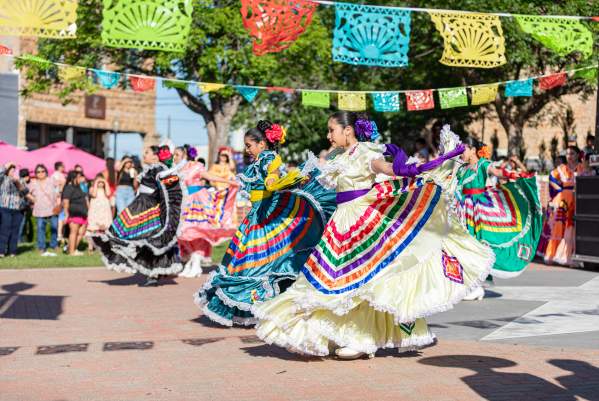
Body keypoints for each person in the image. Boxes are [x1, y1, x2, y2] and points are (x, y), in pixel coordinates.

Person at [252, 112, 493, 360]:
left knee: (362, 281)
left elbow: (387, 168)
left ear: (348, 131)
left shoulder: (366, 152)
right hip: (340, 223)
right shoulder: (336, 156)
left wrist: (414, 168)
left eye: (331, 130)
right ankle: (335, 333)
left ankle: (360, 338)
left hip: (362, 221)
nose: (328, 135)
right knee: (335, 280)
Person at [195, 120, 336, 327]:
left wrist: (283, 180)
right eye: (246, 145)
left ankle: (262, 304)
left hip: (267, 212)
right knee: (252, 258)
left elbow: (272, 180)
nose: (247, 149)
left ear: (262, 144)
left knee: (260, 259)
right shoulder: (260, 160)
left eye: (249, 145)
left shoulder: (270, 159)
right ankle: (255, 304)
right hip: (257, 212)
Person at [455, 138, 543, 301]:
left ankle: (476, 285)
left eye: (463, 149)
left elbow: (497, 172)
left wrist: (511, 173)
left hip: (478, 210)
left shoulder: (482, 164)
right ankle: (468, 284)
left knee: (476, 244)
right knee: (462, 245)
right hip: (463, 208)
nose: (461, 152)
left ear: (473, 150)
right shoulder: (461, 169)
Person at [91, 144, 185, 286]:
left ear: (155, 156)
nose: (144, 155)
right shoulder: (148, 170)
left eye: (146, 152)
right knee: (124, 234)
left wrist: (164, 213)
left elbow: (170, 194)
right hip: (138, 207)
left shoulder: (160, 170)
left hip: (149, 210)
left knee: (149, 241)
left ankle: (153, 274)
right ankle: (150, 272)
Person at [174, 145, 239, 276]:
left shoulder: (196, 166)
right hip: (185, 201)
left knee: (197, 230)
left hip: (198, 200)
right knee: (184, 233)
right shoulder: (179, 169)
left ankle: (196, 263)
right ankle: (192, 262)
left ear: (185, 154)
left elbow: (210, 177)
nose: (174, 157)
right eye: (174, 155)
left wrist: (229, 182)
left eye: (177, 154)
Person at [537, 146, 584, 266]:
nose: (569, 156)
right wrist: (559, 189)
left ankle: (571, 256)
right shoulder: (562, 168)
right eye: (568, 154)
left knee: (573, 229)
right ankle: (554, 254)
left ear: (578, 155)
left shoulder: (582, 167)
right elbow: (551, 177)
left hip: (578, 199)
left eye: (572, 154)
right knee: (559, 227)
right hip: (564, 200)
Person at [28, 164, 60, 256]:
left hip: (52, 208)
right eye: (38, 172)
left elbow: (60, 187)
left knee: (54, 227)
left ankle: (54, 245)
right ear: (36, 173)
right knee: (40, 228)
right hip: (39, 209)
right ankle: (41, 247)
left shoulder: (52, 180)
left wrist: (58, 198)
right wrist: (33, 199)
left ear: (46, 172)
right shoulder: (33, 183)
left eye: (43, 171)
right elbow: (26, 192)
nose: (41, 173)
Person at [0, 163, 30, 257]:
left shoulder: (21, 180)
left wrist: (18, 184)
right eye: (11, 169)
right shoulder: (3, 179)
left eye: (14, 169)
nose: (13, 171)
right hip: (5, 208)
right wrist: (7, 165)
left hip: (18, 209)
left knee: (15, 231)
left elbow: (26, 192)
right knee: (5, 230)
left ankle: (12, 251)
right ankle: (1, 251)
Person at [62, 170, 89, 255]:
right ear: (74, 178)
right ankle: (72, 252)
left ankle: (71, 249)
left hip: (83, 213)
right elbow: (66, 201)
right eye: (79, 177)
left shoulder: (79, 187)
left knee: (81, 233)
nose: (81, 179)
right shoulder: (68, 187)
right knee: (74, 232)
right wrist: (66, 214)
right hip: (74, 212)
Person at [86, 174, 115, 253]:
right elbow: (94, 194)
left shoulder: (105, 190)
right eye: (98, 182)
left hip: (105, 211)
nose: (100, 183)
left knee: (105, 228)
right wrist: (96, 183)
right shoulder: (92, 188)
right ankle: (90, 247)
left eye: (101, 182)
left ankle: (105, 247)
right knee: (93, 228)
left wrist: (105, 182)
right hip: (95, 211)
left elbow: (109, 194)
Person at [51, 161, 67, 244]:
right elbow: (59, 188)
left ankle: (60, 235)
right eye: (63, 166)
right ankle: (59, 235)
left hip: (58, 199)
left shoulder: (54, 175)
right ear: (59, 167)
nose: (64, 167)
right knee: (61, 217)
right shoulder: (58, 175)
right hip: (60, 199)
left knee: (60, 217)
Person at [18, 168, 34, 244]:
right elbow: (27, 195)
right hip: (22, 207)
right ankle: (19, 241)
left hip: (17, 207)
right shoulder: (23, 183)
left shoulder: (16, 181)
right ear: (27, 176)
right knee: (21, 225)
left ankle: (21, 240)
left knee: (21, 225)